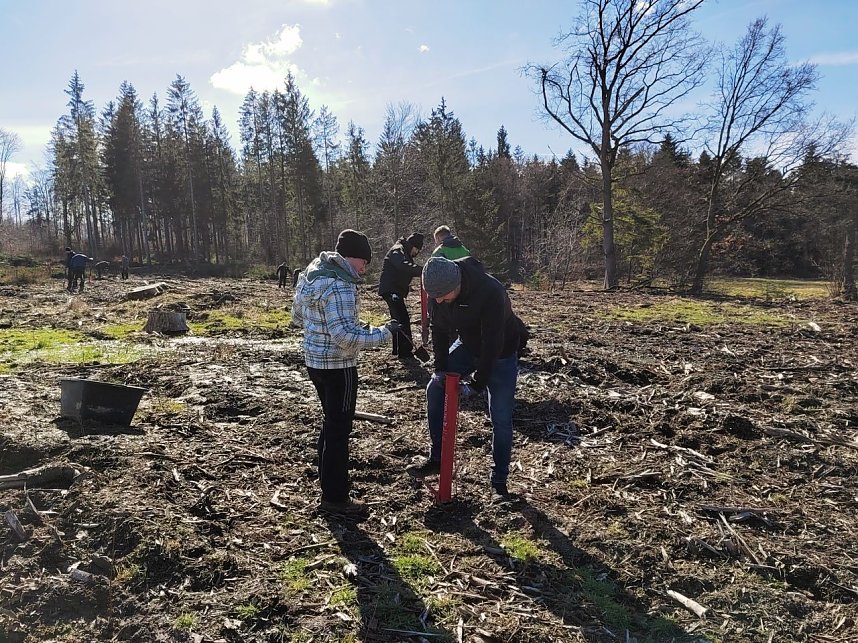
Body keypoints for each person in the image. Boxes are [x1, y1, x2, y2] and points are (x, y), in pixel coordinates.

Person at [291, 229, 401, 517]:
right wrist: (383, 333)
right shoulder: (340, 284)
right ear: (350, 258)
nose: (365, 267)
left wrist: (357, 324)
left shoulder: (313, 274)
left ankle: (327, 481)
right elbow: (344, 337)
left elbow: (298, 317)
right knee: (340, 429)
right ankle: (336, 498)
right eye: (364, 261)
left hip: (314, 361)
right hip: (339, 366)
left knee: (331, 423)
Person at [407, 255, 523, 503]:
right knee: (434, 388)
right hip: (468, 344)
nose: (438, 301)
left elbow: (493, 341)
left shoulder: (491, 291)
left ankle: (499, 481)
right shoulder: (437, 288)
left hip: (501, 351)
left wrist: (477, 384)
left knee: (500, 417)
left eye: (443, 296)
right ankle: (437, 458)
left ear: (457, 283)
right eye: (434, 296)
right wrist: (440, 368)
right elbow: (439, 330)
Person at [378, 232, 424, 360]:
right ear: (413, 246)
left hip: (394, 289)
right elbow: (403, 266)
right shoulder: (398, 250)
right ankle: (405, 352)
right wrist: (422, 270)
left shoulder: (402, 250)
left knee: (398, 319)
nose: (417, 253)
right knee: (402, 319)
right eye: (418, 250)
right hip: (391, 290)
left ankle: (398, 350)